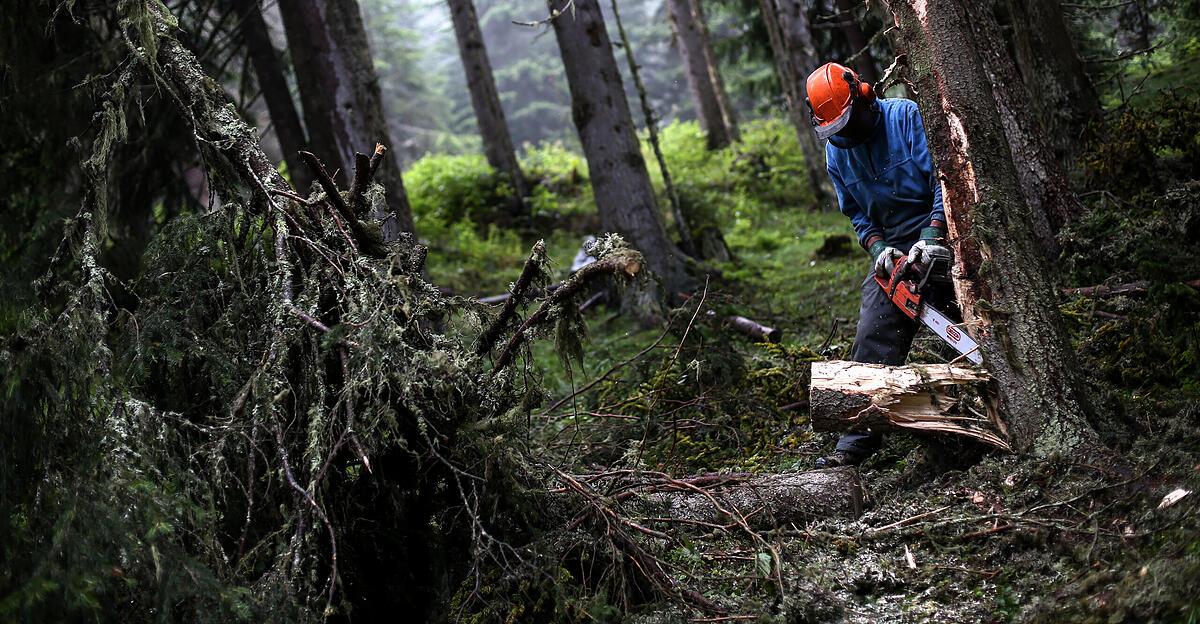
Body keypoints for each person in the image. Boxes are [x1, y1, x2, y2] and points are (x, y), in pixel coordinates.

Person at [805, 62, 954, 468]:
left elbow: (946, 179)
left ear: (865, 96)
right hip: (893, 244)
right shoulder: (837, 155)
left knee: (960, 312)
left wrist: (934, 234)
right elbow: (857, 215)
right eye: (837, 131)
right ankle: (854, 442)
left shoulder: (905, 117)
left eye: (849, 124)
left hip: (942, 225)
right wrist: (879, 251)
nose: (846, 137)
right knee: (873, 329)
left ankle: (980, 393)